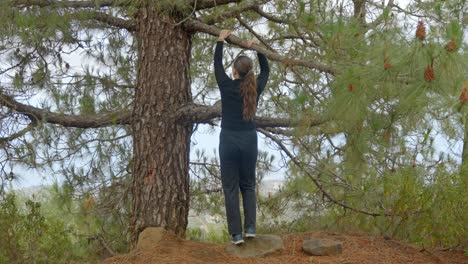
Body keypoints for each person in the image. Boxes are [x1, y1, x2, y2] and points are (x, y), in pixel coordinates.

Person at [214, 30, 270, 245]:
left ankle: (236, 235)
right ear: (248, 73)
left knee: (230, 188)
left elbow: (217, 66)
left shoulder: (226, 86)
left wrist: (220, 41)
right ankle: (251, 228)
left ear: (234, 72)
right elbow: (266, 70)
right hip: (249, 141)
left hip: (228, 141)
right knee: (248, 185)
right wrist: (256, 48)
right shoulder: (255, 89)